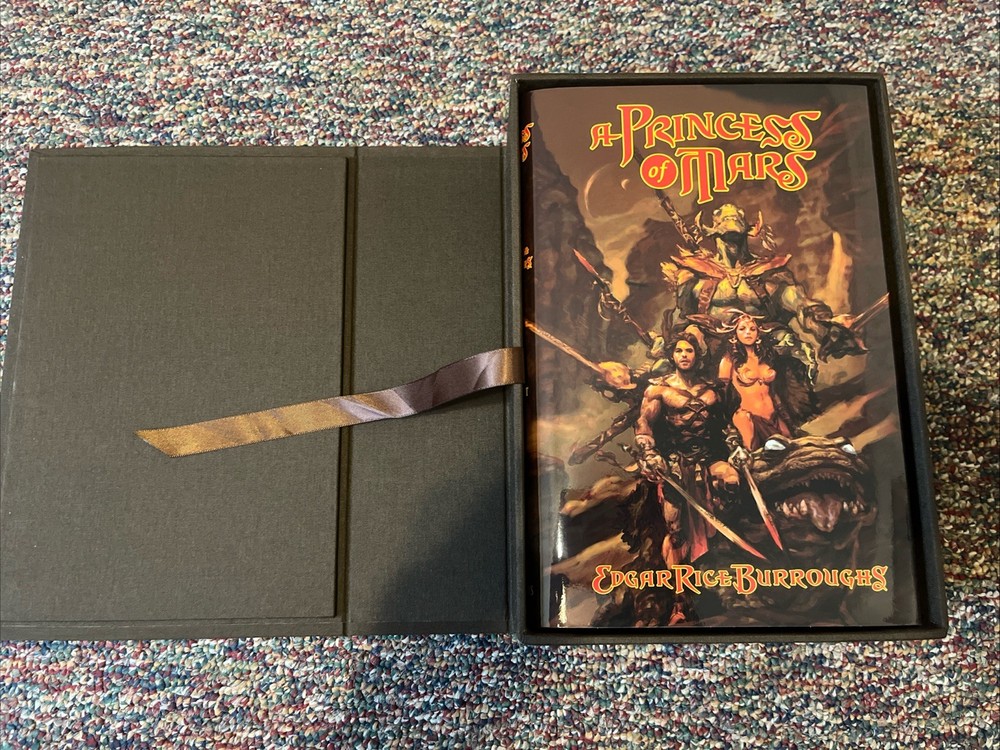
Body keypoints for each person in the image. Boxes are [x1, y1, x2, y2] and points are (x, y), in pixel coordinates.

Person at [630, 332, 744, 624]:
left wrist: (735, 444)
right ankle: (679, 601)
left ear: (697, 355)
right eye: (679, 350)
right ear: (672, 355)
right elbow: (644, 425)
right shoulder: (659, 389)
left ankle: (721, 552)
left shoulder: (712, 389)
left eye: (689, 350)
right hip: (675, 464)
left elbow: (726, 425)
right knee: (675, 530)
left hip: (709, 458)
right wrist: (649, 452)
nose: (684, 355)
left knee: (732, 480)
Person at [717, 312, 793, 450]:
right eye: (742, 329)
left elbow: (775, 391)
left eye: (752, 329)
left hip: (774, 416)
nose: (748, 332)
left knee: (791, 448)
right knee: (754, 453)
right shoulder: (728, 360)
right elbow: (721, 395)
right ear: (734, 334)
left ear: (758, 334)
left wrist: (783, 413)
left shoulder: (766, 357)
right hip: (749, 419)